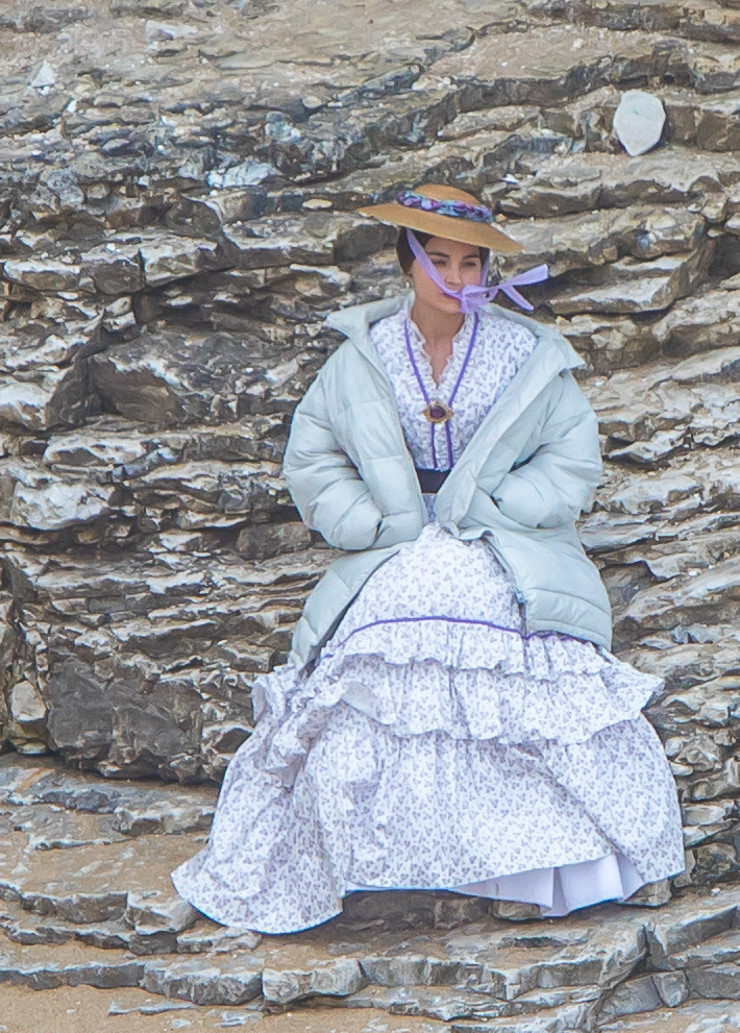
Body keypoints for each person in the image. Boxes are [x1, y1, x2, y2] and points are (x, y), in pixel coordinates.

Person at [171, 183, 685, 934]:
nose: (455, 277)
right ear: (407, 261)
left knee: (509, 673)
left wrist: (500, 508)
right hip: (397, 545)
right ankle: (389, 856)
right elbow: (312, 456)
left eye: (470, 263)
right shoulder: (364, 357)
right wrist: (370, 521)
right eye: (438, 260)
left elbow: (572, 458)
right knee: (380, 657)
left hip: (501, 545)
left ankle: (528, 865)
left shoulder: (523, 353)